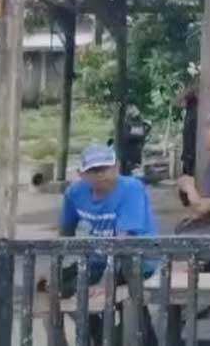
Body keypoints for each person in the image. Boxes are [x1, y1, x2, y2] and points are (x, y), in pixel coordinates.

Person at [55, 143, 158, 345]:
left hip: (136, 258)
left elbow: (123, 240)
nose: (100, 174)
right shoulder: (74, 193)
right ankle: (99, 336)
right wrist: (55, 267)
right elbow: (65, 233)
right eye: (93, 170)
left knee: (124, 285)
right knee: (61, 288)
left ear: (116, 166)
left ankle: (126, 336)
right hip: (99, 260)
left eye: (105, 168)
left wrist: (105, 282)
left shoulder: (131, 188)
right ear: (81, 174)